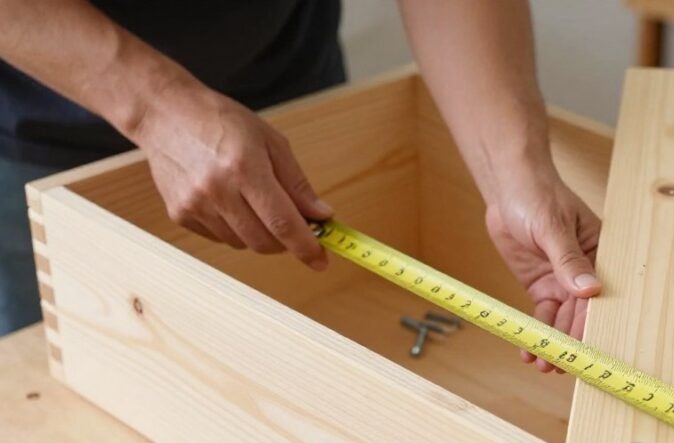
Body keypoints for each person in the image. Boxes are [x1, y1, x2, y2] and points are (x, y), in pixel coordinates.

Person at [0, 1, 601, 372]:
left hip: (289, 76)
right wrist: (154, 107)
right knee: (80, 366)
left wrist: (514, 175)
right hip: (48, 122)